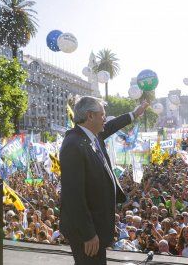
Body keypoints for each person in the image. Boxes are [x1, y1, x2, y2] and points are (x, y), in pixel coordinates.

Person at [60, 96, 148, 265]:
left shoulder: (92, 135)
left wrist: (134, 114)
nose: (105, 119)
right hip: (85, 230)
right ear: (90, 116)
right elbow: (74, 196)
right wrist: (88, 234)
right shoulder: (74, 145)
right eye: (102, 115)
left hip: (95, 224)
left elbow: (112, 126)